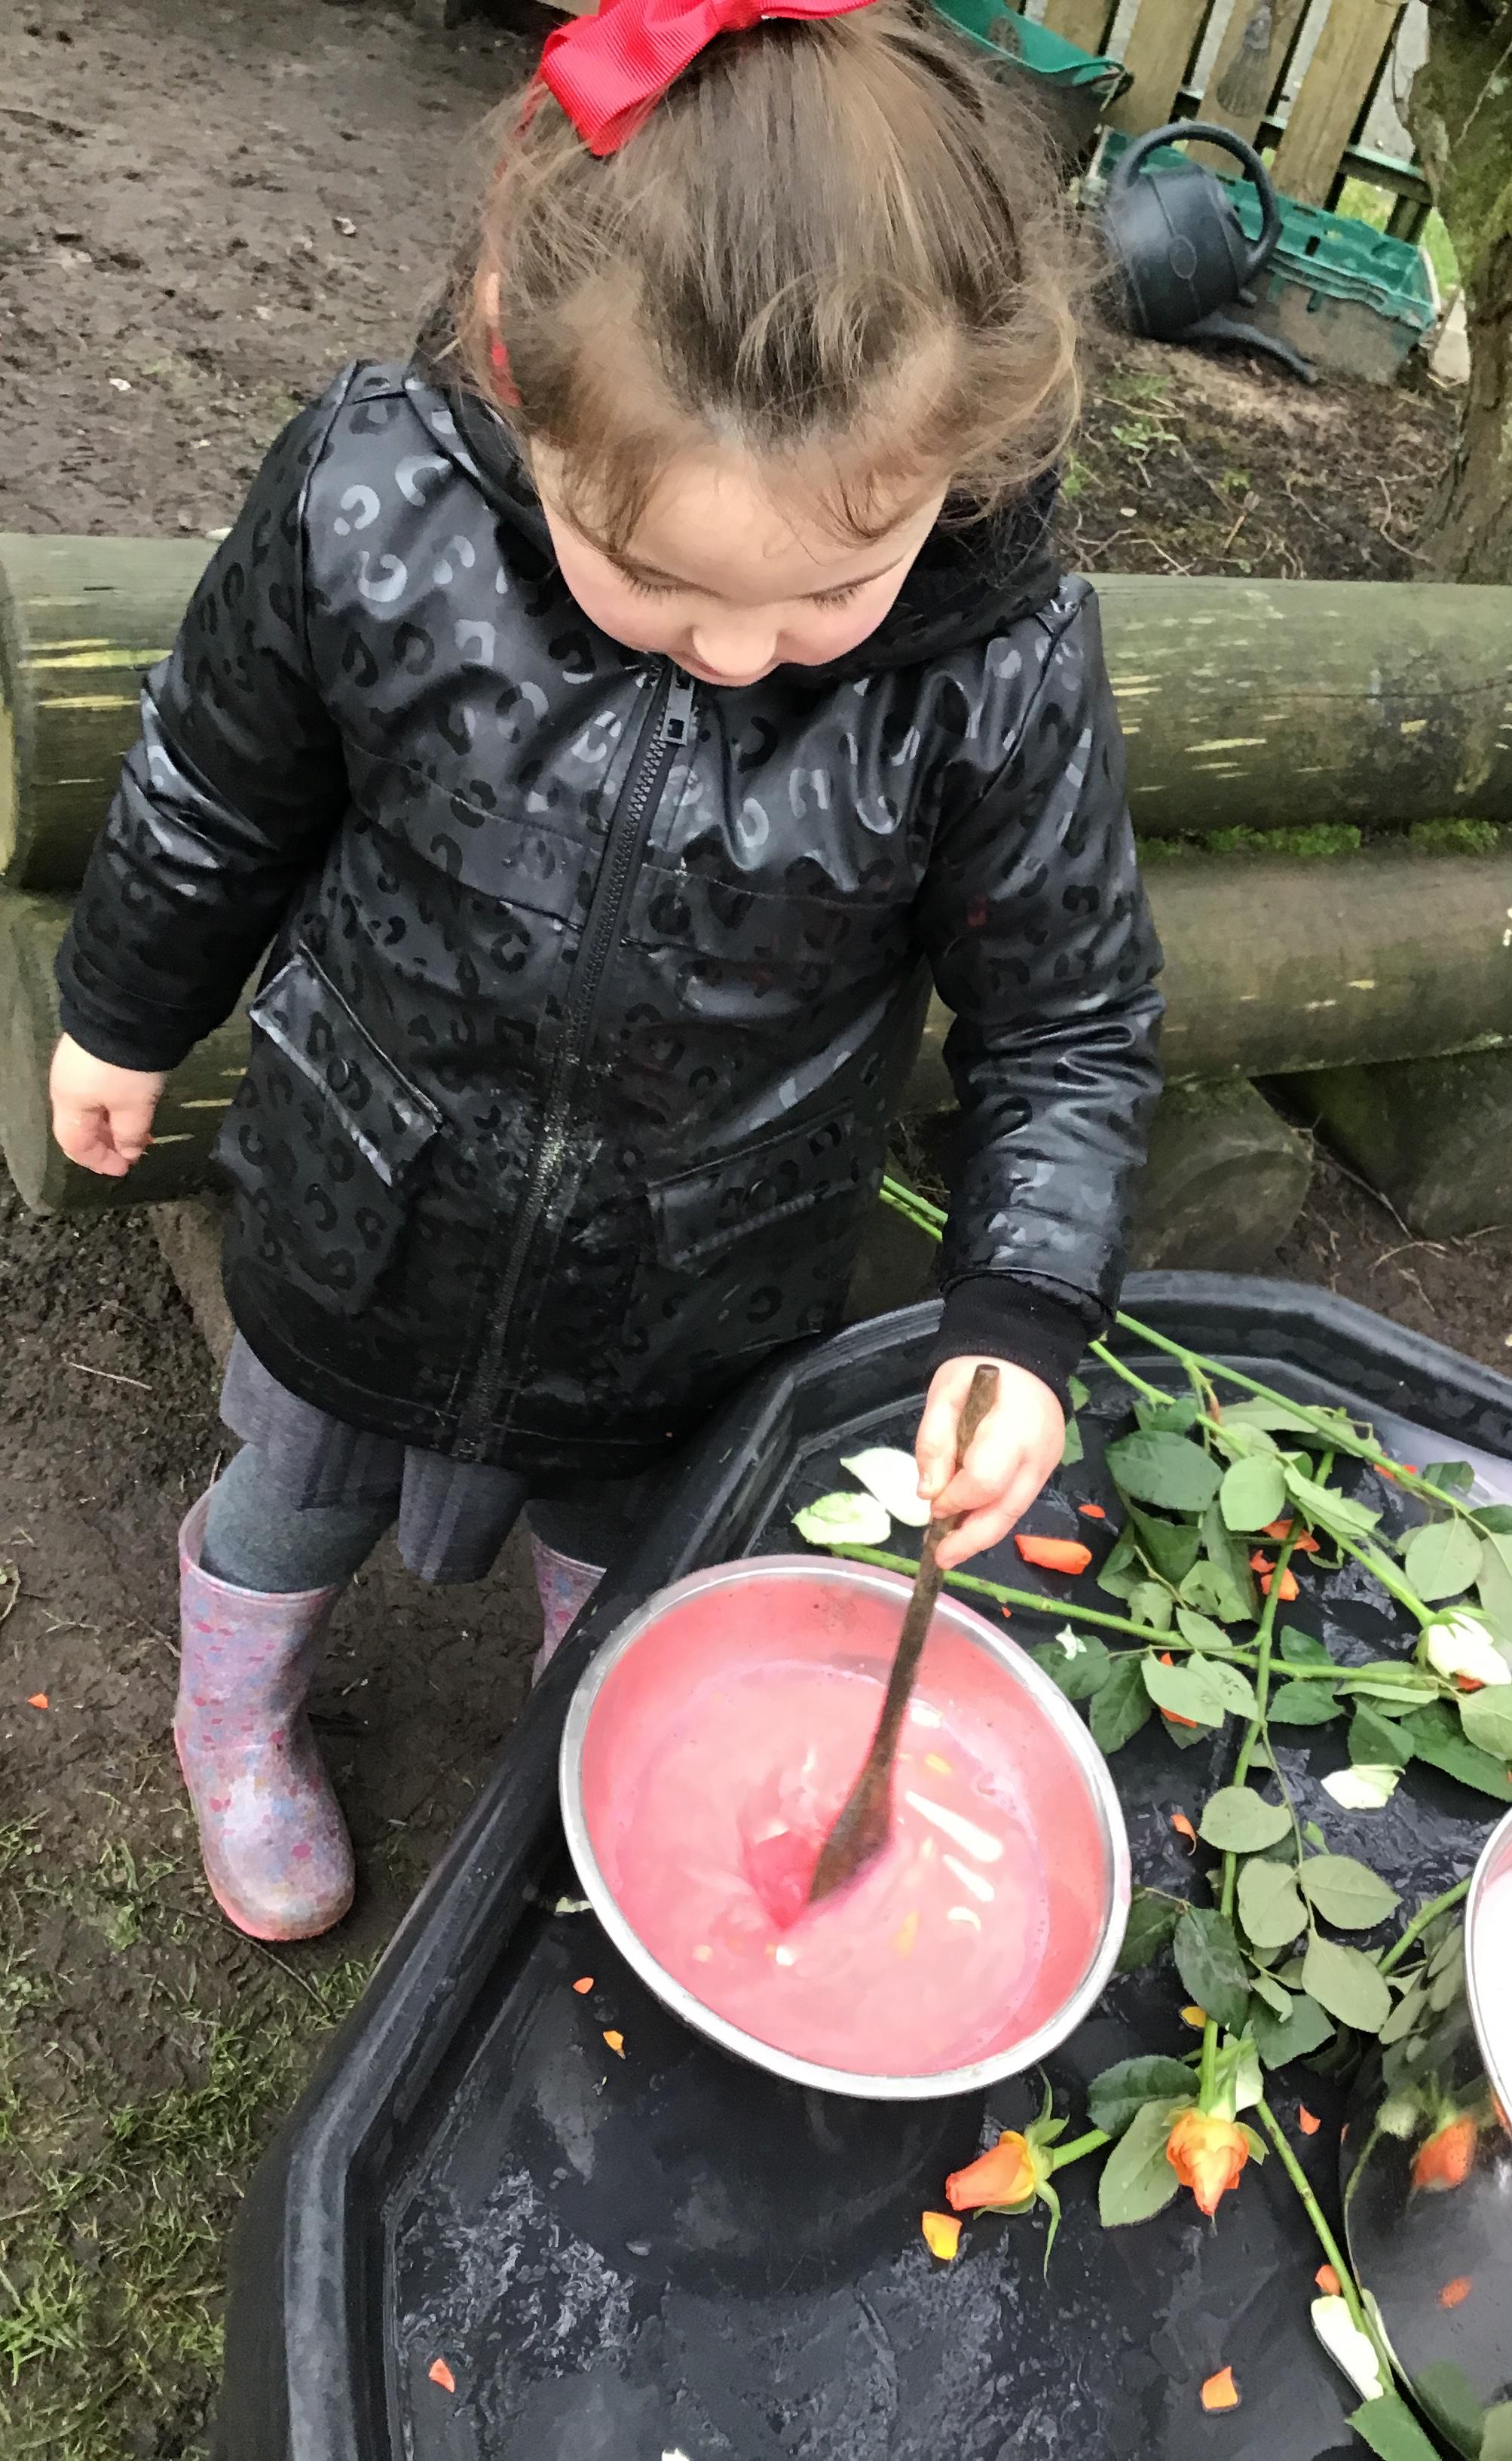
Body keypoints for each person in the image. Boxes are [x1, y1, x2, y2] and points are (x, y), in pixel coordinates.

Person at [47, 0, 1164, 1944]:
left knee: (634, 1558)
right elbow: (216, 786)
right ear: (519, 369)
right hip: (363, 1192)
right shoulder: (372, 502)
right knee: (294, 1487)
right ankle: (236, 1714)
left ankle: (608, 1763)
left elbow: (1064, 1018)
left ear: (965, 453)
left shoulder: (996, 670)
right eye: (652, 576)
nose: (735, 651)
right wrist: (125, 1013)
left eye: (831, 590)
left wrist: (1022, 1308)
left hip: (700, 1275)